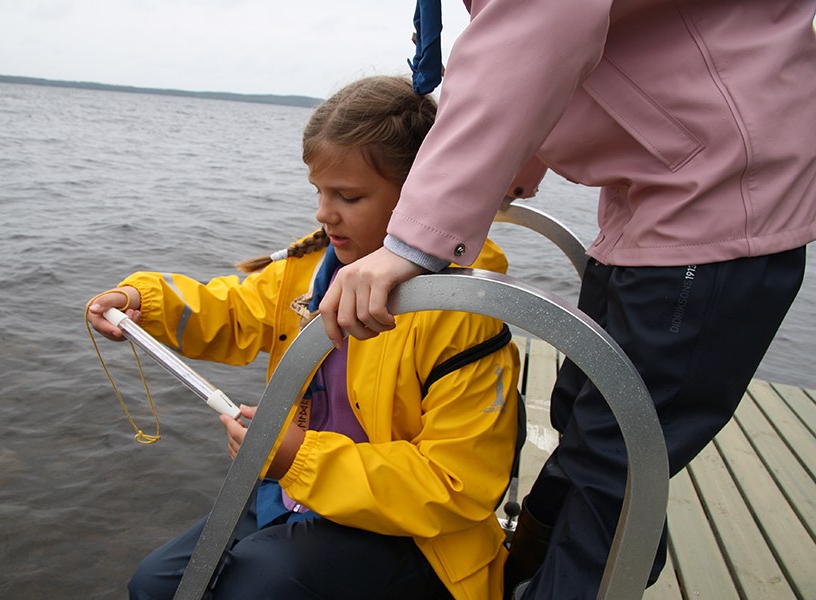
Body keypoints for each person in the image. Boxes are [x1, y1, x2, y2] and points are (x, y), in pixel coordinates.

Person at [318, 2, 816, 598]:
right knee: (585, 419)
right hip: (666, 191)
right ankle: (526, 575)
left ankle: (584, 577)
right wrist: (525, 151)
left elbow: (539, 25)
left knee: (616, 462)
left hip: (718, 198)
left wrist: (414, 241)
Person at [85, 75, 521, 600]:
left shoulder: (460, 308)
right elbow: (230, 309)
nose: (323, 212)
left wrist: (296, 458)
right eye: (319, 191)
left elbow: (458, 486)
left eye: (349, 196)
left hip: (418, 539)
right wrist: (141, 302)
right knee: (156, 584)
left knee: (256, 586)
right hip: (296, 495)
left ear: (421, 194)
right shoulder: (311, 271)